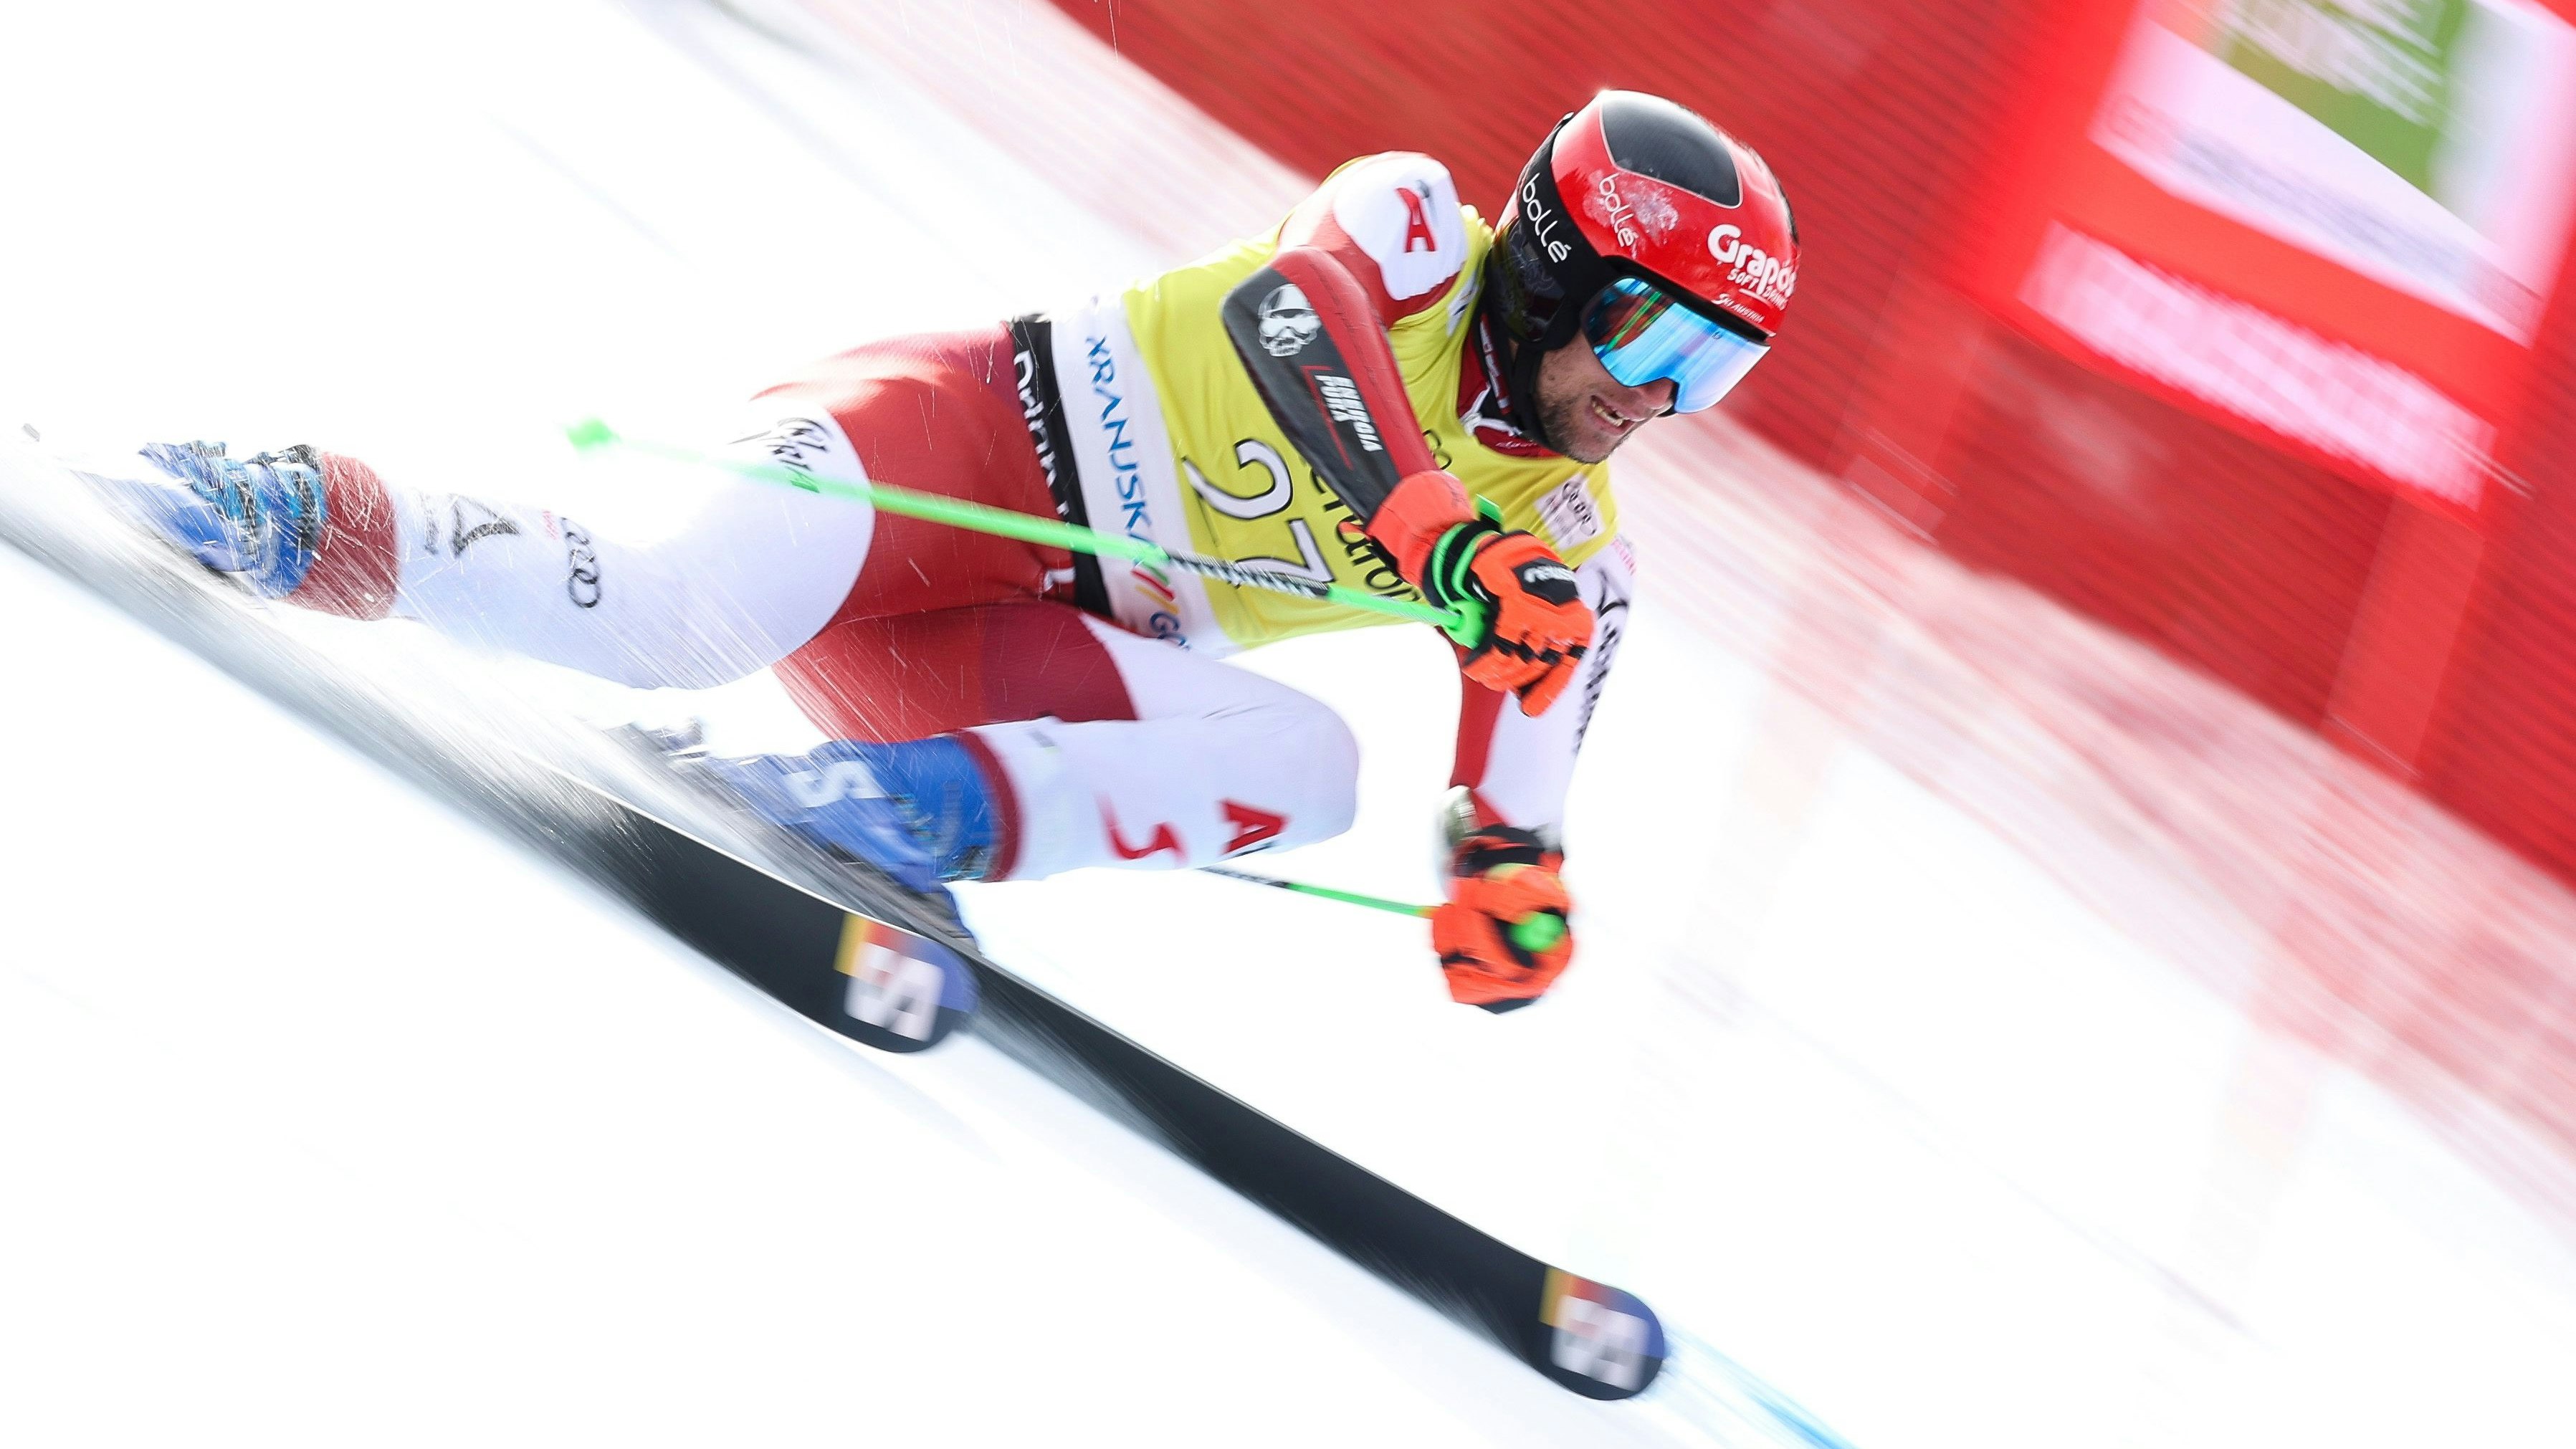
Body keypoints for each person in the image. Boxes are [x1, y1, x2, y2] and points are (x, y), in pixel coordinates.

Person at [88, 90, 1798, 1012]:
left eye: (1715, 376)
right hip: (959, 445)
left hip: (1000, 648)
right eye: (1660, 347)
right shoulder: (1418, 222)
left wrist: (1512, 884)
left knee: (1318, 761)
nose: (1661, 403)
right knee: (673, 619)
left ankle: (882, 821)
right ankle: (298, 504)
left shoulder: (1575, 533)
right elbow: (1300, 319)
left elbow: (1515, 774)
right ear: (1564, 268)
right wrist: (1431, 537)